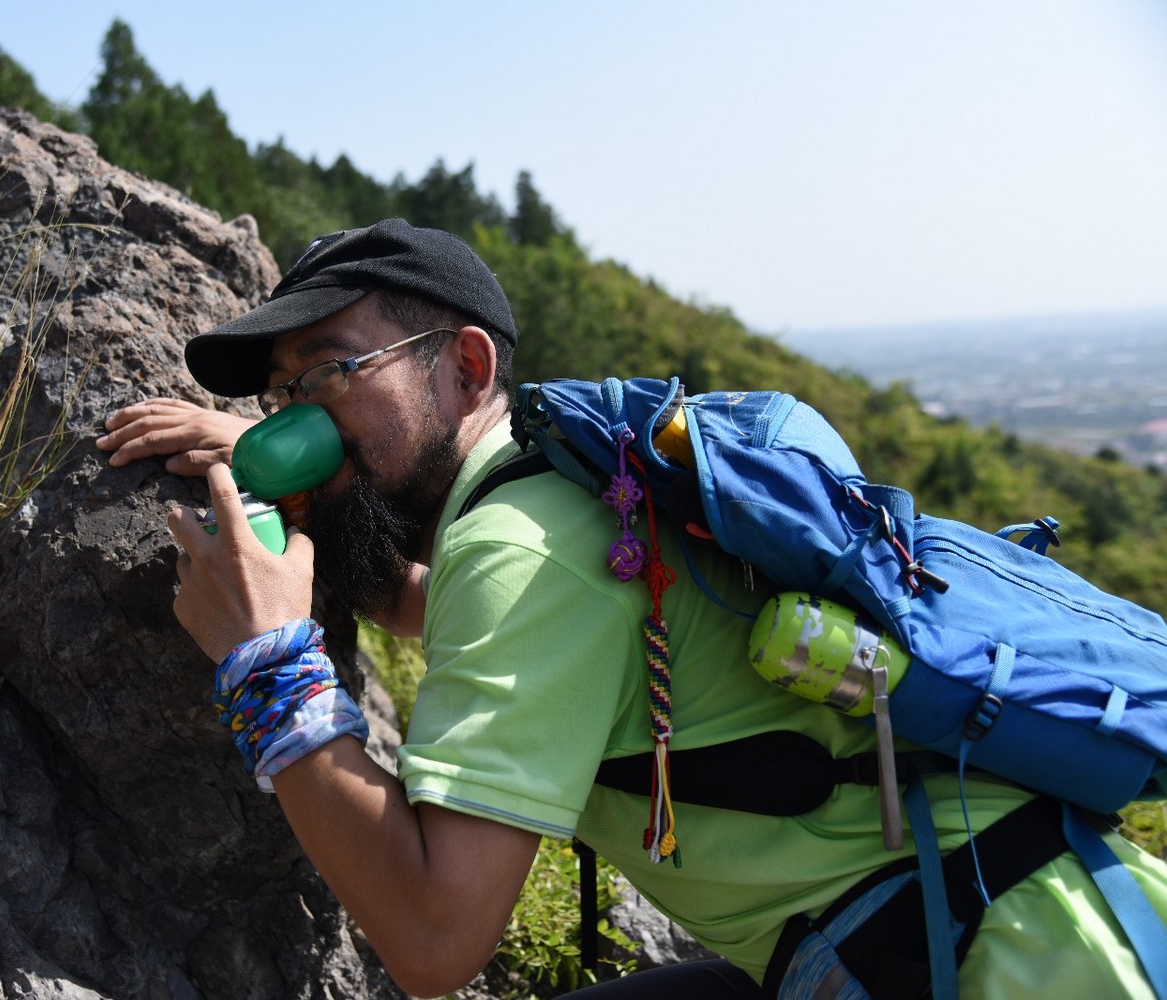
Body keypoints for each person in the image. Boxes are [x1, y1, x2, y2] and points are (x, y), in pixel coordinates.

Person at [97, 218, 1167, 999]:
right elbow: (460, 624)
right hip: (988, 908)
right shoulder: (563, 490)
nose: (301, 421)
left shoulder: (521, 552)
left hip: (994, 965)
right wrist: (304, 481)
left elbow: (433, 940)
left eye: (332, 372)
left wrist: (270, 663)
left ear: (466, 366)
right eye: (282, 396)